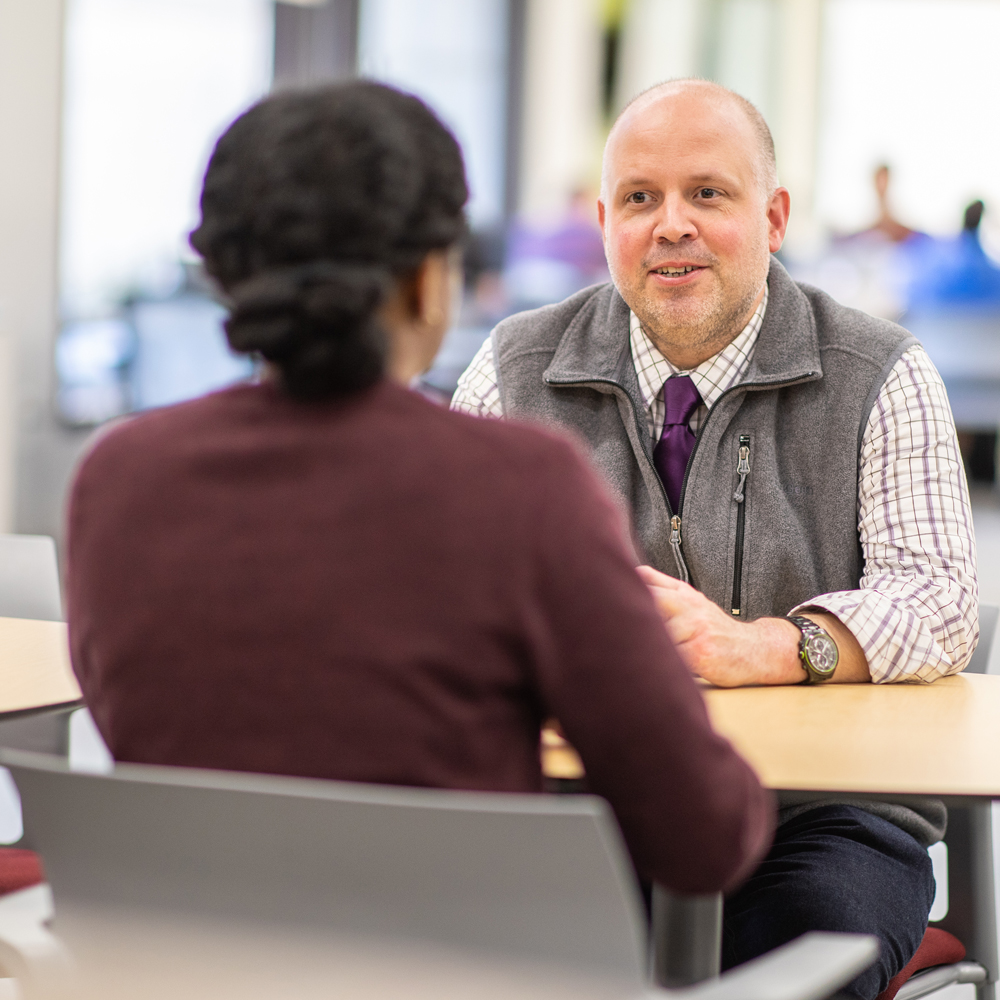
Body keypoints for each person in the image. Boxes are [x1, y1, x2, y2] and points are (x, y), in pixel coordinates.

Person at [64, 81, 773, 900]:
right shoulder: (522, 490)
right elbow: (704, 839)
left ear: (225, 271)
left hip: (182, 969)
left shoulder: (115, 479)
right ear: (428, 278)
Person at [453, 78, 978, 1000]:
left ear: (773, 216)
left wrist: (772, 647)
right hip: (583, 802)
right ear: (606, 220)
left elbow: (937, 602)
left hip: (825, 817)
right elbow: (446, 590)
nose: (671, 226)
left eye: (708, 193)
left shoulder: (882, 372)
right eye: (641, 199)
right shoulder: (514, 367)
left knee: (784, 966)